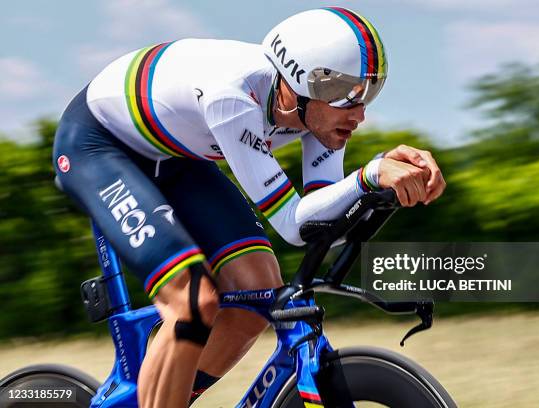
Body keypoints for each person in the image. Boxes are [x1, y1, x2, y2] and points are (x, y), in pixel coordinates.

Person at [53, 7, 446, 408]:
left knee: (259, 294)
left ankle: (165, 394)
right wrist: (371, 175)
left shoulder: (320, 114)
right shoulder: (234, 96)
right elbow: (294, 224)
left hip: (177, 156)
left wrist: (380, 186)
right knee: (192, 304)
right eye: (348, 94)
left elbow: (322, 226)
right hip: (99, 147)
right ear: (300, 82)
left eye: (367, 93)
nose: (359, 113)